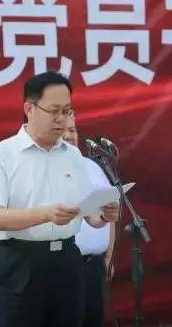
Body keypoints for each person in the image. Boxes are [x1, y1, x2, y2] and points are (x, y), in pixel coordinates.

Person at [0, 71, 120, 327]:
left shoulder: (73, 155)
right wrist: (46, 214)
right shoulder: (1, 155)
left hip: (67, 261)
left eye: (67, 111)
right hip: (22, 261)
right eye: (54, 111)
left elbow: (89, 215)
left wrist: (104, 215)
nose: (62, 119)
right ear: (29, 109)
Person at [62, 115, 116, 327]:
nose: (69, 135)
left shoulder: (93, 167)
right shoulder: (47, 170)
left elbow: (109, 215)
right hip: (64, 266)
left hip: (93, 266)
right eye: (63, 130)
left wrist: (109, 257)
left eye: (72, 130)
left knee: (93, 319)